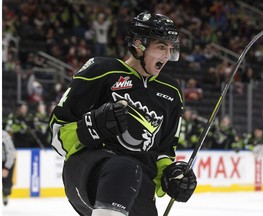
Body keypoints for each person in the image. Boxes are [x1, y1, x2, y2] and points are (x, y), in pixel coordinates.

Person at [49, 11, 197, 216]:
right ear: (139, 44)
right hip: (88, 172)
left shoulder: (171, 92)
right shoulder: (101, 71)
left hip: (136, 182)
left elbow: (163, 153)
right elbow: (56, 134)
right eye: (161, 47)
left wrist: (171, 177)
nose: (167, 56)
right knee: (125, 167)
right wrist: (92, 126)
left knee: (132, 173)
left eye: (171, 48)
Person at [2, 130, 16, 206]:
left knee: (7, 184)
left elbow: (11, 153)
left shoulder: (5, 137)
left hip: (5, 161)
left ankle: (5, 193)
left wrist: (6, 168)